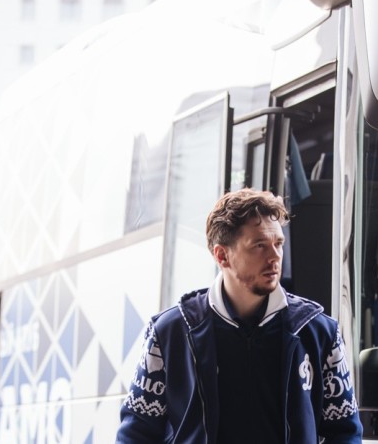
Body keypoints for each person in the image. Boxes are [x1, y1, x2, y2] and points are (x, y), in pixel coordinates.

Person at [116, 188, 363, 443]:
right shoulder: (170, 332)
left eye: (278, 244)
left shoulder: (319, 331)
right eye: (259, 246)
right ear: (222, 255)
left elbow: (345, 433)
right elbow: (136, 434)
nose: (275, 257)